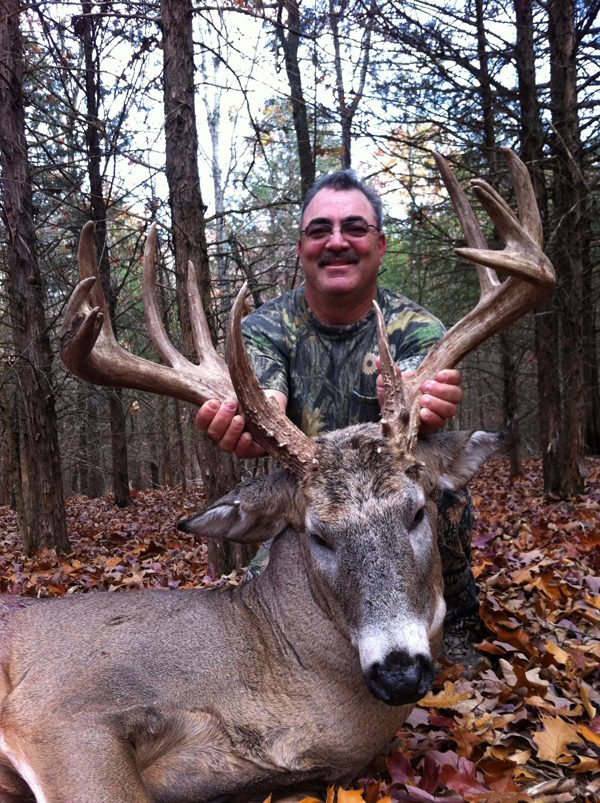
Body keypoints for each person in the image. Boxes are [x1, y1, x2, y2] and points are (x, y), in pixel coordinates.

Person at [197, 170, 486, 669]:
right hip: (316, 505)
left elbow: (422, 381)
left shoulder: (416, 328)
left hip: (391, 498)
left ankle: (458, 621)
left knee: (443, 499)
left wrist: (425, 404)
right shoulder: (261, 330)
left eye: (354, 227)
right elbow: (265, 387)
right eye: (319, 230)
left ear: (379, 243)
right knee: (273, 605)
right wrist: (254, 414)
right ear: (301, 248)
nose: (336, 241)